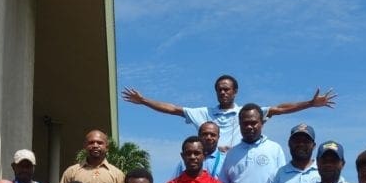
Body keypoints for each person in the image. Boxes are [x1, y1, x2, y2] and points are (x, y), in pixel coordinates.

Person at [122, 74, 337, 149]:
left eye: (226, 89)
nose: (222, 93)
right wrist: (143, 101)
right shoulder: (204, 113)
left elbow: (279, 108)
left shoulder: (248, 113)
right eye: (219, 90)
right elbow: (173, 109)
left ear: (235, 91)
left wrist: (310, 103)